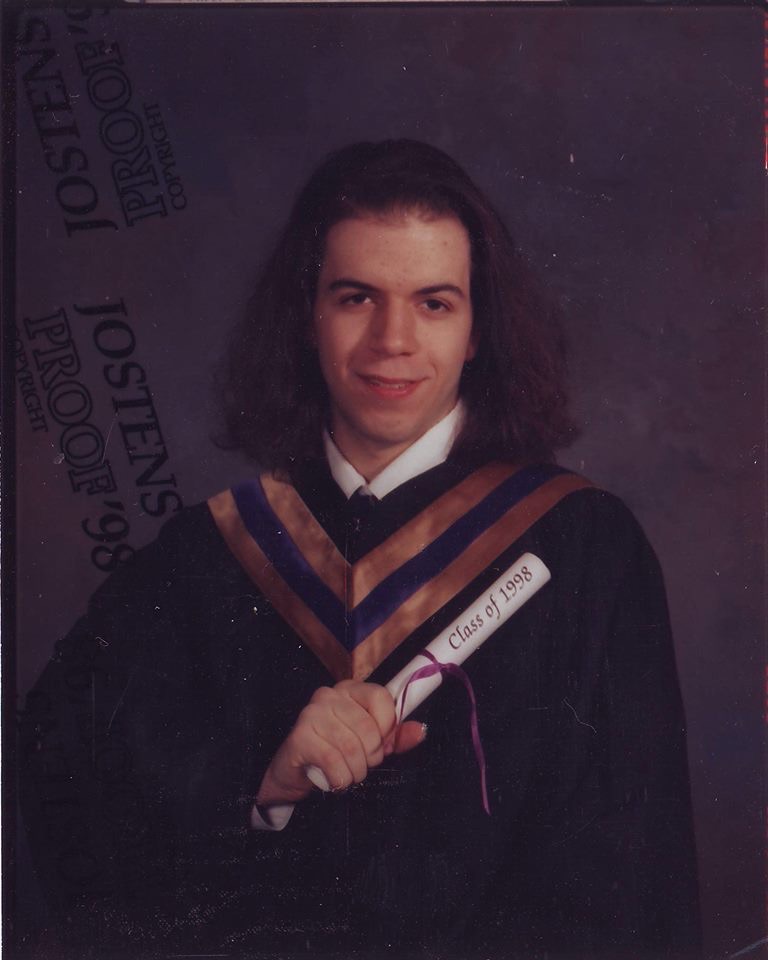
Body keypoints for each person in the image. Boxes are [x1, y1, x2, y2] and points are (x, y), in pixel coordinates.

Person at [19, 140, 701, 959]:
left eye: (435, 303)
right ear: (306, 315)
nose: (393, 340)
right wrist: (259, 778)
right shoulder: (206, 555)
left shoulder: (586, 549)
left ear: (480, 328)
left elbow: (630, 883)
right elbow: (59, 790)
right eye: (356, 297)